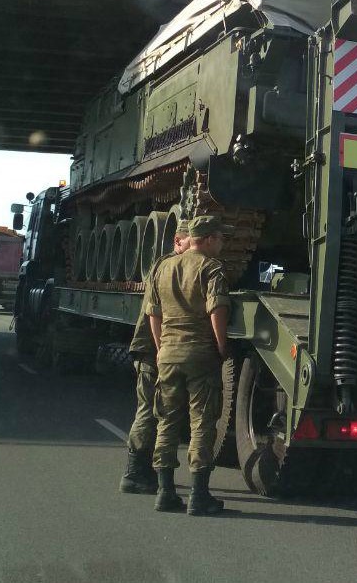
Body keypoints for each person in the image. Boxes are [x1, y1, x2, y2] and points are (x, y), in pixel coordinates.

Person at [145, 215, 231, 515]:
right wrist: (221, 346)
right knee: (201, 424)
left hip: (168, 353)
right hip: (199, 354)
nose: (222, 243)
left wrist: (160, 348)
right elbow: (216, 307)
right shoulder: (211, 267)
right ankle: (198, 495)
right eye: (220, 238)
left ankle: (165, 492)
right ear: (207, 239)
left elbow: (153, 314)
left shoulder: (163, 266)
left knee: (167, 421)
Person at [118, 230, 190, 494]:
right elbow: (154, 314)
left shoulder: (170, 265)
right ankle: (134, 472)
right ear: (178, 241)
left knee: (154, 409)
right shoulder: (166, 266)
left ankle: (142, 471)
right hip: (152, 349)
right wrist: (161, 351)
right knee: (149, 408)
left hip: (155, 348)